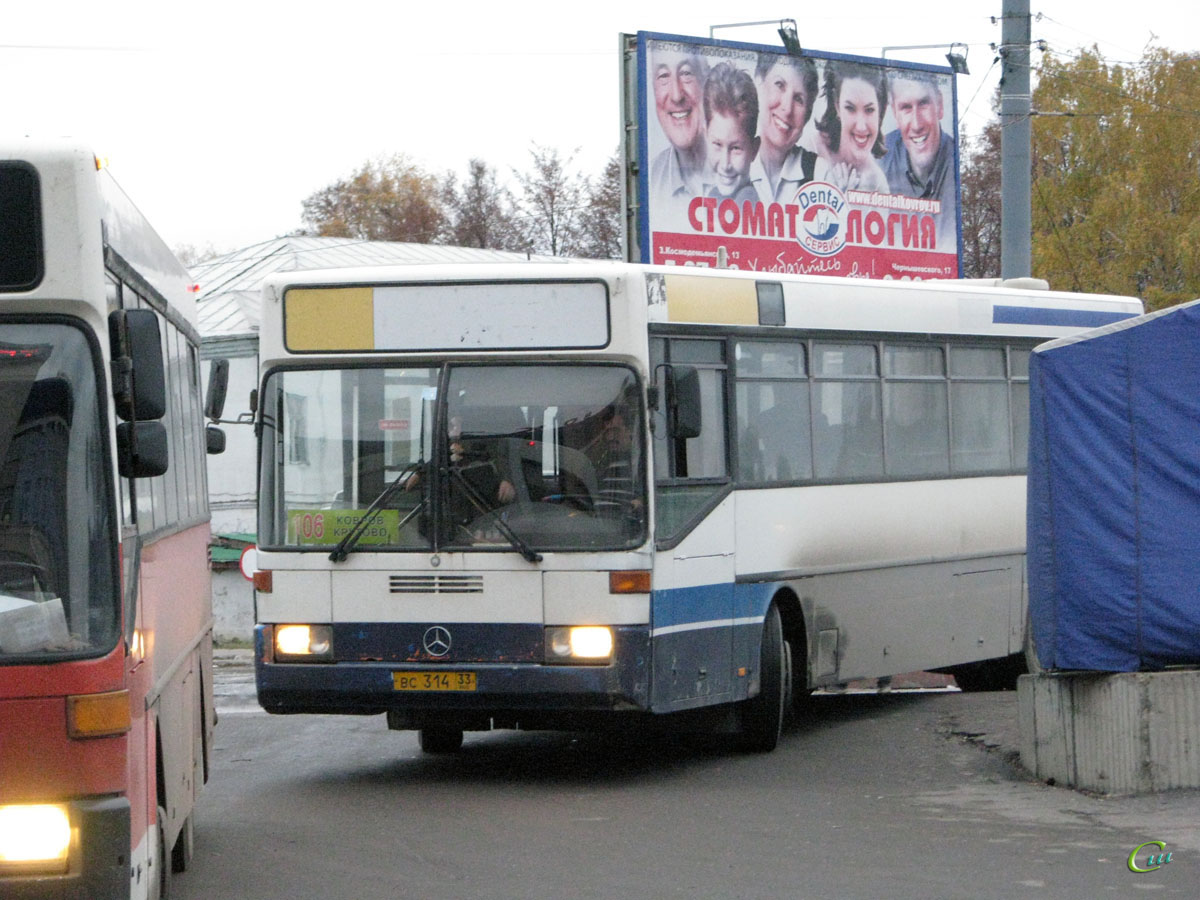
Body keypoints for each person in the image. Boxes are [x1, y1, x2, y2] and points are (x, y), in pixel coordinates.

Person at [881, 70, 957, 248]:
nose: (916, 124)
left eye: (923, 104)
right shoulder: (877, 158)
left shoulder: (956, 170)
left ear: (939, 104)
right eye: (906, 107)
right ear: (894, 112)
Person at [750, 53, 820, 204]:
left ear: (807, 115)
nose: (787, 109)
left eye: (799, 99)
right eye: (779, 85)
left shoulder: (820, 173)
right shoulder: (728, 164)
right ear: (758, 83)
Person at [813, 61, 890, 193]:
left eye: (869, 110)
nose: (860, 127)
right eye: (850, 108)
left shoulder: (878, 185)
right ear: (837, 106)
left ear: (880, 110)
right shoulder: (811, 147)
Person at [649, 46, 707, 207]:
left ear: (706, 82)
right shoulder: (649, 180)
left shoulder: (744, 169)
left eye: (686, 73)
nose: (676, 95)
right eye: (663, 76)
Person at [701, 62, 760, 203]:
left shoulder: (750, 207)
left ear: (755, 149)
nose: (725, 164)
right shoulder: (711, 198)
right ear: (705, 138)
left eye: (736, 148)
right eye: (717, 144)